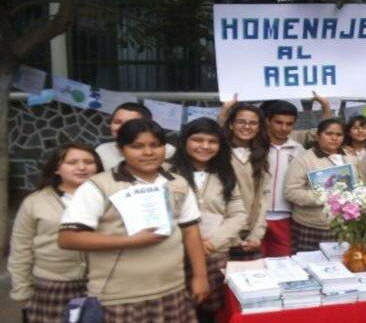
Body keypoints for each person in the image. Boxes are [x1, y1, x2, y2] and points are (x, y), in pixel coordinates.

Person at [58, 119, 209, 322]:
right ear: (121, 150)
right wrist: (130, 242)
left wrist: (200, 276)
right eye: (137, 146)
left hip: (171, 289)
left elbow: (191, 231)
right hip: (118, 296)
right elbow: (67, 238)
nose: (148, 152)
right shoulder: (98, 186)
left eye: (155, 145)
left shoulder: (178, 184)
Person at [8, 143, 103, 323]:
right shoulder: (35, 202)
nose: (82, 167)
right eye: (72, 162)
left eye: (89, 162)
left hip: (99, 284)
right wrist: (21, 289)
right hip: (52, 285)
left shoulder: (107, 199)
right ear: (57, 168)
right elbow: (21, 248)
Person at [170, 118, 247, 322]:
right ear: (185, 140)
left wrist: (212, 243)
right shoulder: (167, 172)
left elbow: (238, 213)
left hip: (214, 253)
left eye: (212, 141)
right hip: (175, 255)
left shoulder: (226, 173)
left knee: (211, 311)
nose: (205, 146)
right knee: (180, 311)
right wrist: (192, 244)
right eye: (198, 139)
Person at [284, 119, 357, 251]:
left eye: (339, 135)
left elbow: (358, 184)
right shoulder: (304, 159)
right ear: (318, 135)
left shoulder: (350, 157)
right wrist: (325, 196)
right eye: (329, 134)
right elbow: (291, 192)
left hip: (345, 225)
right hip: (314, 226)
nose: (334, 138)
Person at [258, 101, 305, 257]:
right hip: (255, 217)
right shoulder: (255, 146)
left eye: (289, 124)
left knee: (283, 264)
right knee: (254, 266)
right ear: (267, 121)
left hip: (286, 217)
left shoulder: (299, 150)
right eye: (279, 122)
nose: (284, 128)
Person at [224, 104, 271, 260]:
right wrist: (233, 236)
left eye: (252, 123)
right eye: (241, 122)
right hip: (224, 234)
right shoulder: (219, 154)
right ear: (231, 124)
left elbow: (263, 198)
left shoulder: (261, 155)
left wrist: (257, 234)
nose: (246, 126)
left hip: (251, 235)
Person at [95, 102, 175, 169]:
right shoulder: (102, 150)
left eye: (130, 123)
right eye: (117, 122)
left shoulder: (167, 150)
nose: (122, 127)